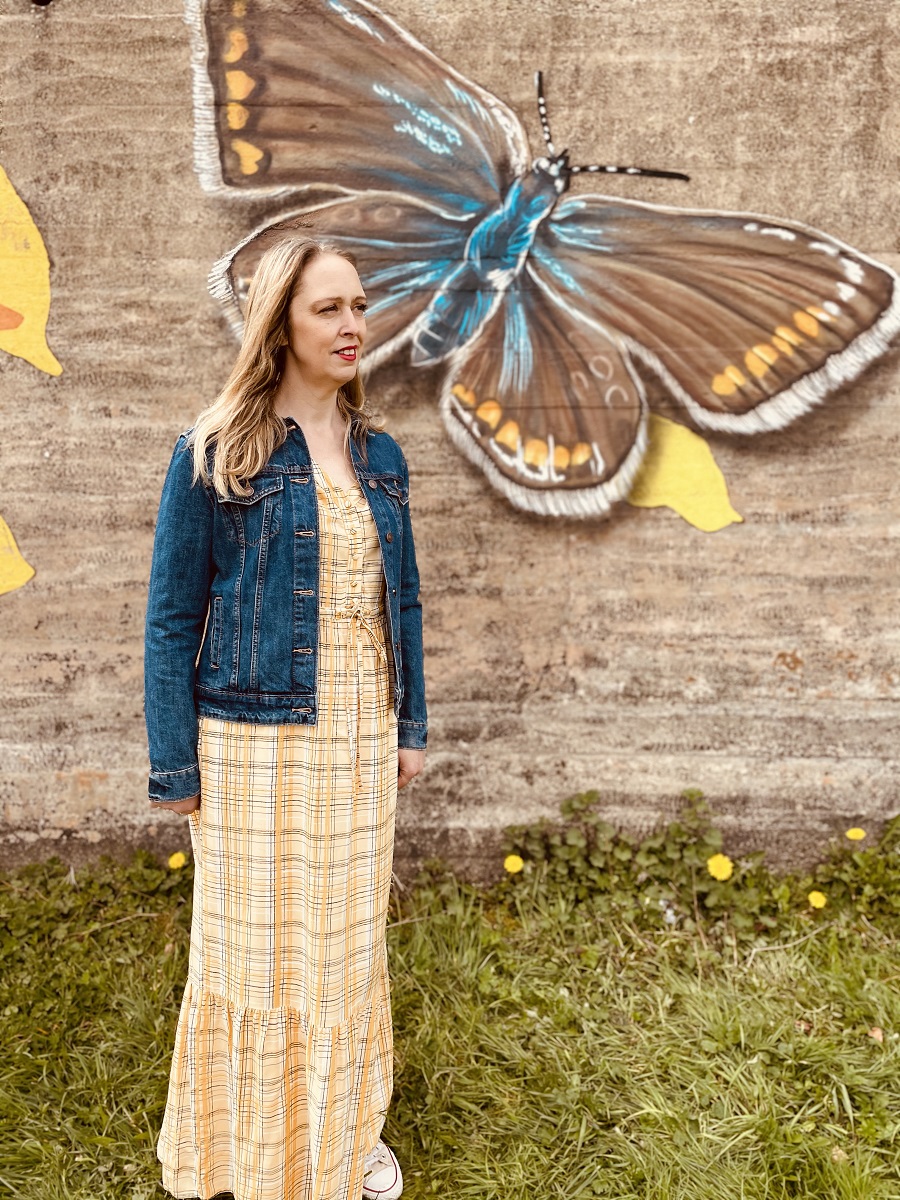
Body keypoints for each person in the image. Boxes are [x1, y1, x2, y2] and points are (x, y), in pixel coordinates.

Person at [144, 235, 427, 1200]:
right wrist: (176, 768)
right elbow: (171, 618)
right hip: (251, 740)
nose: (353, 326)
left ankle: (339, 1144)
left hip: (358, 734)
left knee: (345, 948)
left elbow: (407, 603)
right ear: (282, 324)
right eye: (329, 309)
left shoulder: (382, 455)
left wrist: (410, 726)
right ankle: (247, 1156)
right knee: (252, 948)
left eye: (359, 305)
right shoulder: (218, 448)